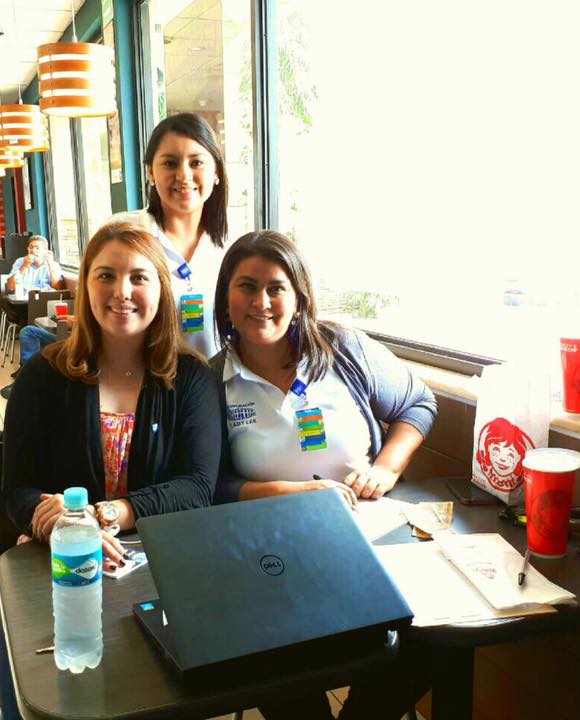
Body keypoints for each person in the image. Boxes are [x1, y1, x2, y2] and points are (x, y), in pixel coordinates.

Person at [0, 221, 222, 719]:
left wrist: (103, 515)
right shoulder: (42, 377)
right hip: (60, 571)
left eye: (139, 277)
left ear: (161, 290)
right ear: (85, 286)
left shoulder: (191, 379)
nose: (122, 291)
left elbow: (197, 488)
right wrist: (57, 520)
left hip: (162, 574)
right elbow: (17, 490)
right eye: (106, 276)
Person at [211, 230, 437, 720]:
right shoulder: (212, 381)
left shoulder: (344, 349)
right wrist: (292, 494)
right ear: (226, 296)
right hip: (270, 556)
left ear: (299, 298)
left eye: (276, 288)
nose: (261, 302)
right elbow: (210, 484)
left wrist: (386, 468)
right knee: (268, 656)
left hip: (368, 541)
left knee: (434, 636)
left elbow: (418, 403)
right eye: (246, 286)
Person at [108, 112, 229, 358]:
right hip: (142, 376)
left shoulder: (232, 244)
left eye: (196, 163)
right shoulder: (121, 233)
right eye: (170, 163)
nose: (183, 175)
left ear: (216, 172)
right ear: (151, 172)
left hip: (215, 379)